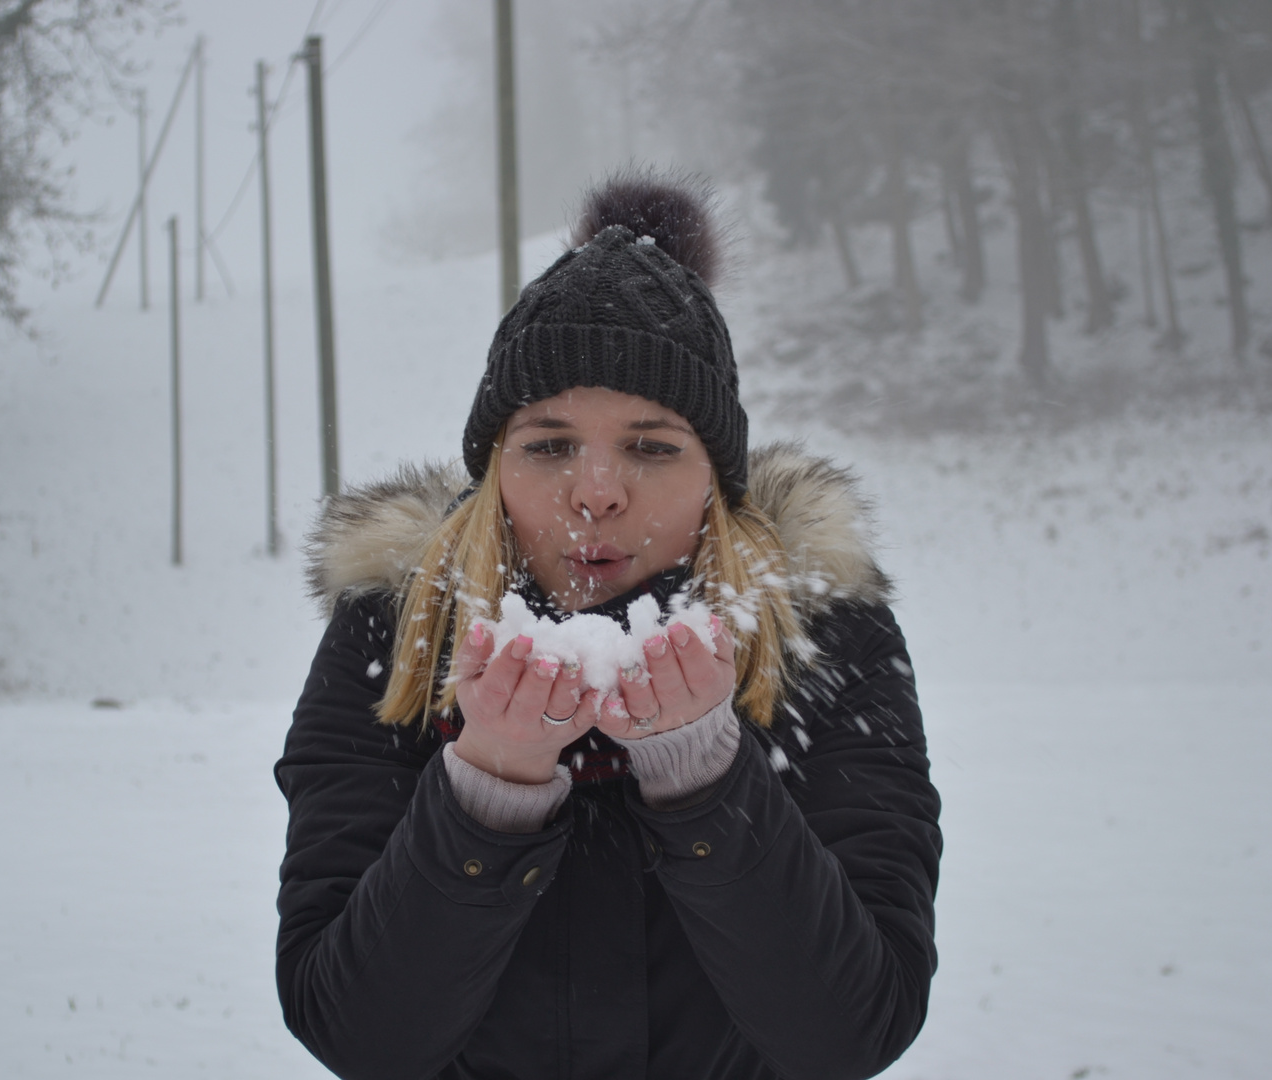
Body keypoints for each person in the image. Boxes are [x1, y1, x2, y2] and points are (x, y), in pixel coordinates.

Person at [274, 172, 942, 1080]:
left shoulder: (826, 643)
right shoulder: (393, 640)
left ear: (716, 476)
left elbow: (851, 1034)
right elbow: (357, 1035)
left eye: (652, 446)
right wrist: (488, 794)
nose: (596, 493)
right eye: (548, 445)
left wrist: (705, 777)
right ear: (493, 471)